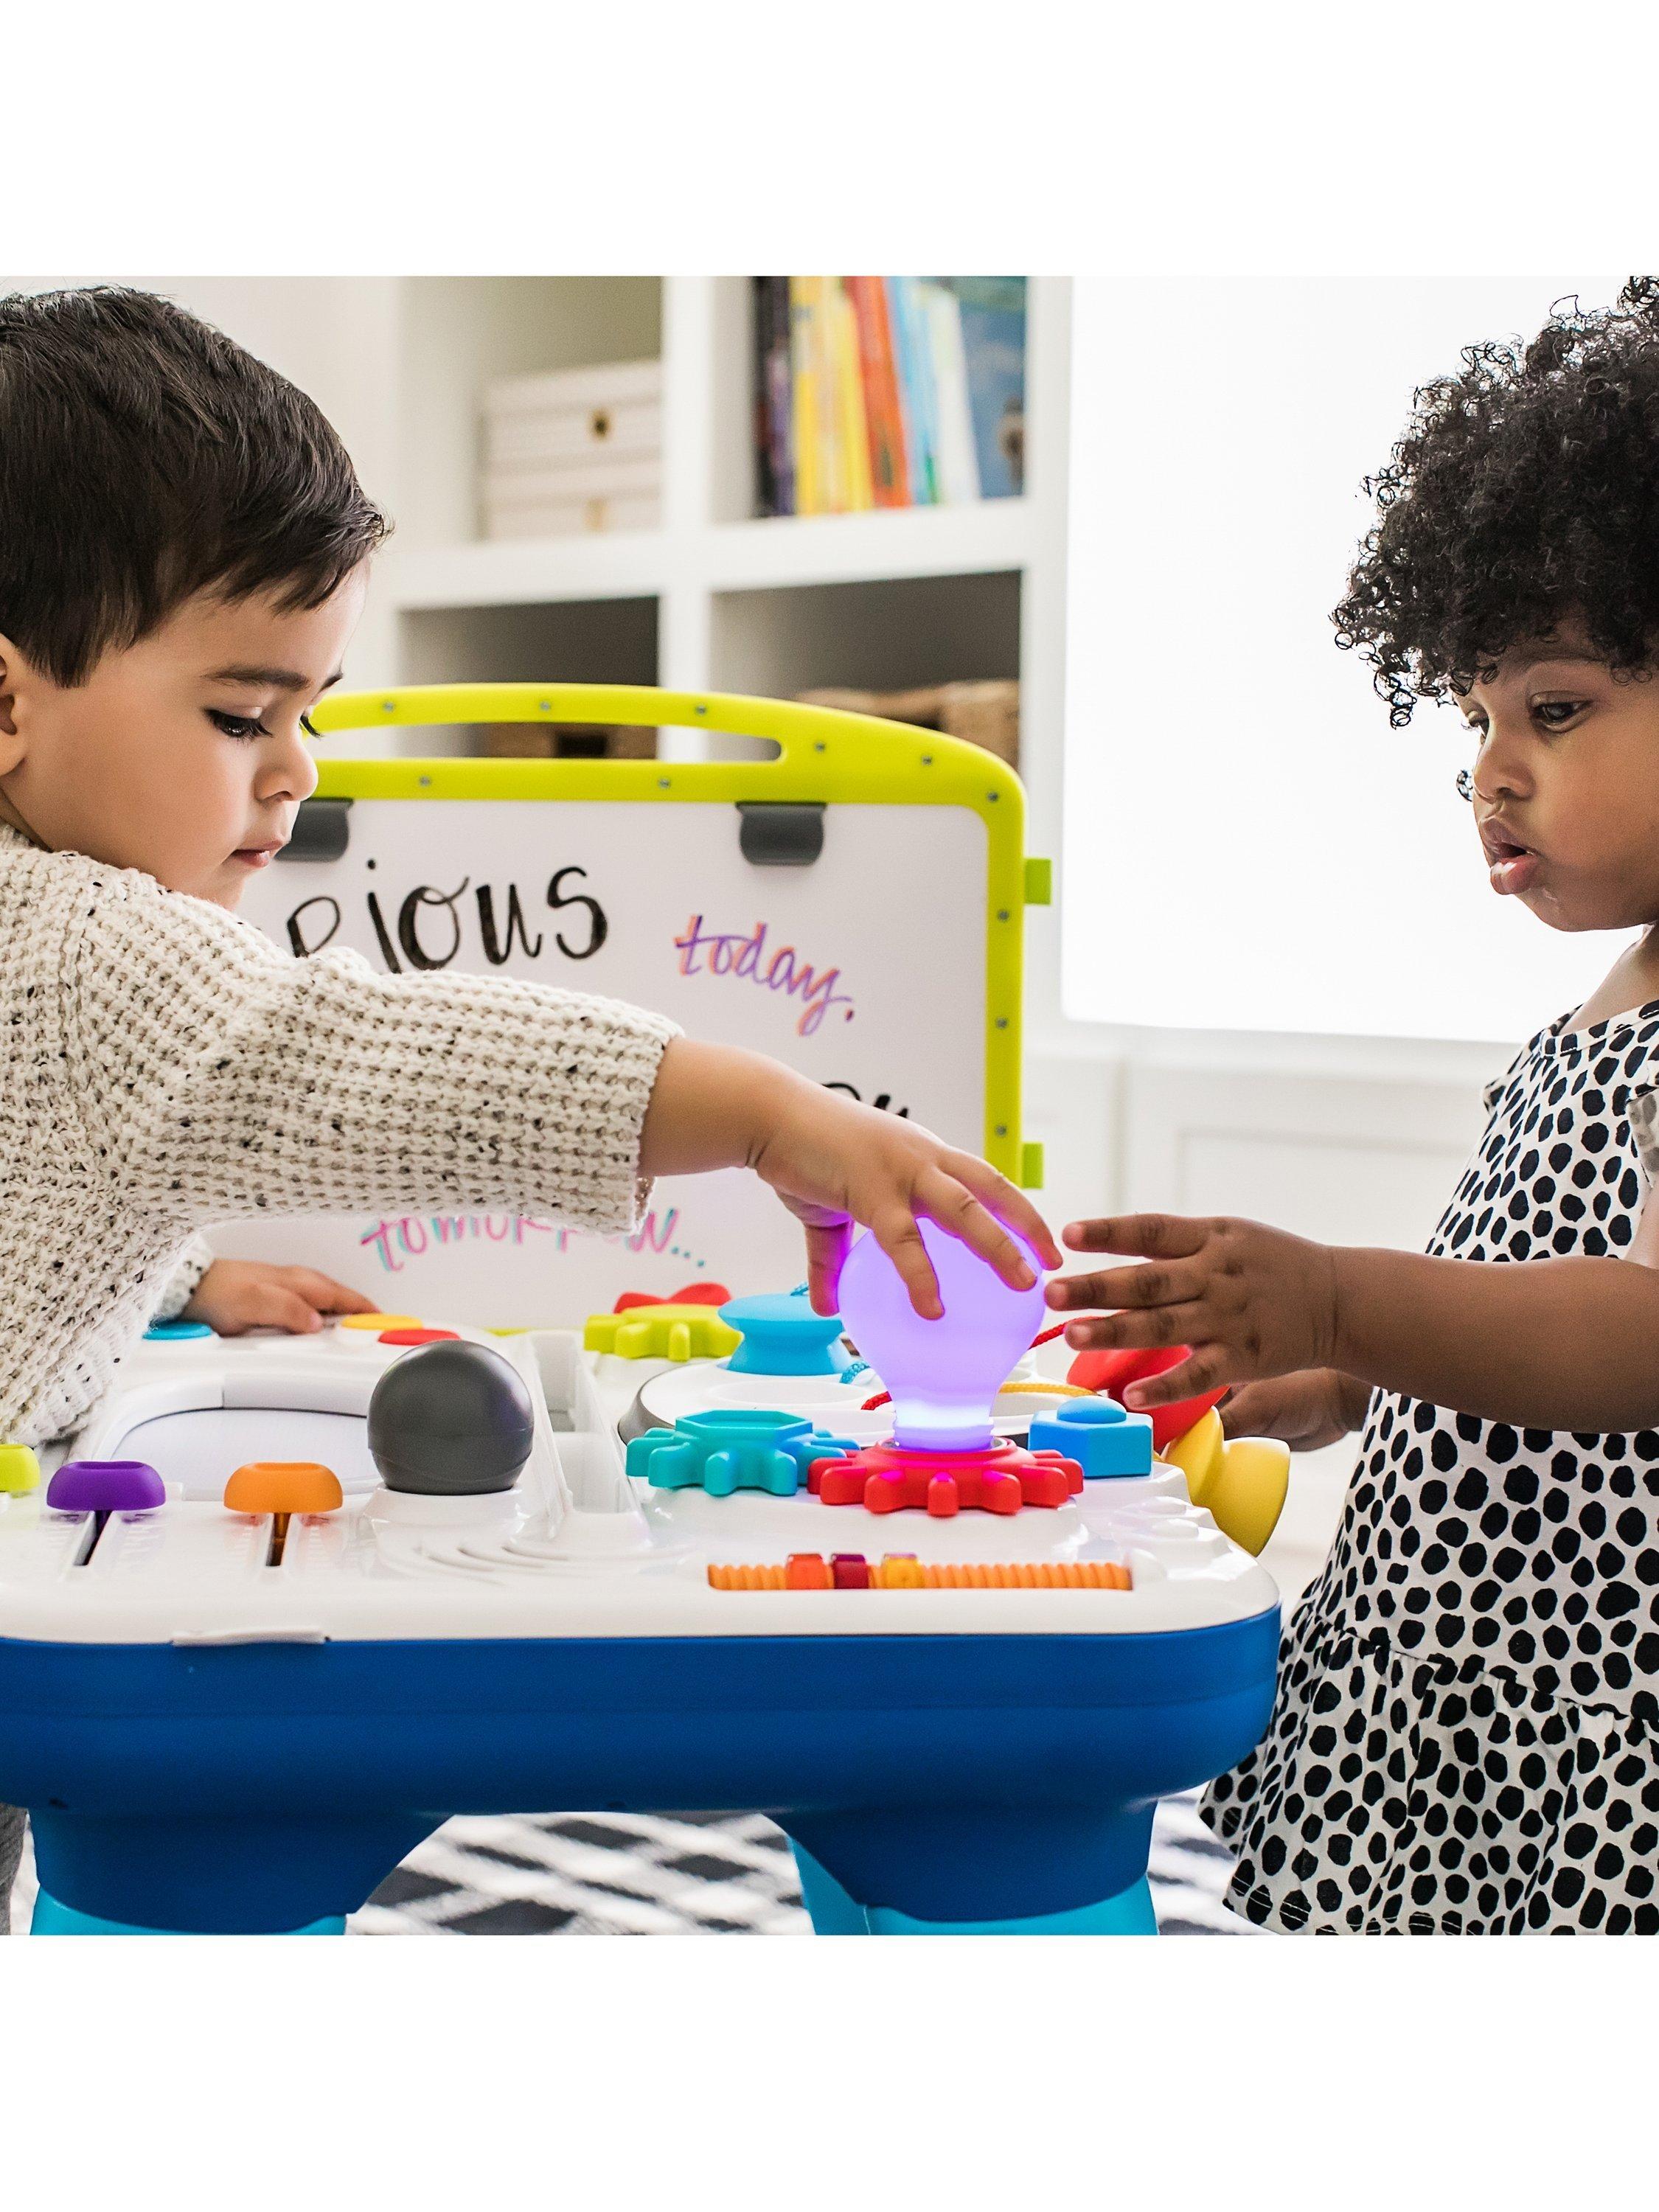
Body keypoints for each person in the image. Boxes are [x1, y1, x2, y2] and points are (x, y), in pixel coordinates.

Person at [0, 285, 1057, 1928]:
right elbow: (392, 1064)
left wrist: (181, 1272)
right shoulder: (88, 940)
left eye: (312, 710)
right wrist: (766, 1112)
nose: (297, 773)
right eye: (240, 714)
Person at [1046, 280, 1659, 1935]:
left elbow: (1642, 1340)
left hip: (1594, 1718)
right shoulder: (1607, 1006)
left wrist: (1336, 1292)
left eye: (1556, 708)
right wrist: (1345, 1372)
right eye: (1474, 722)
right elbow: (1532, 1348)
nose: (1493, 772)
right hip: (1474, 1666)